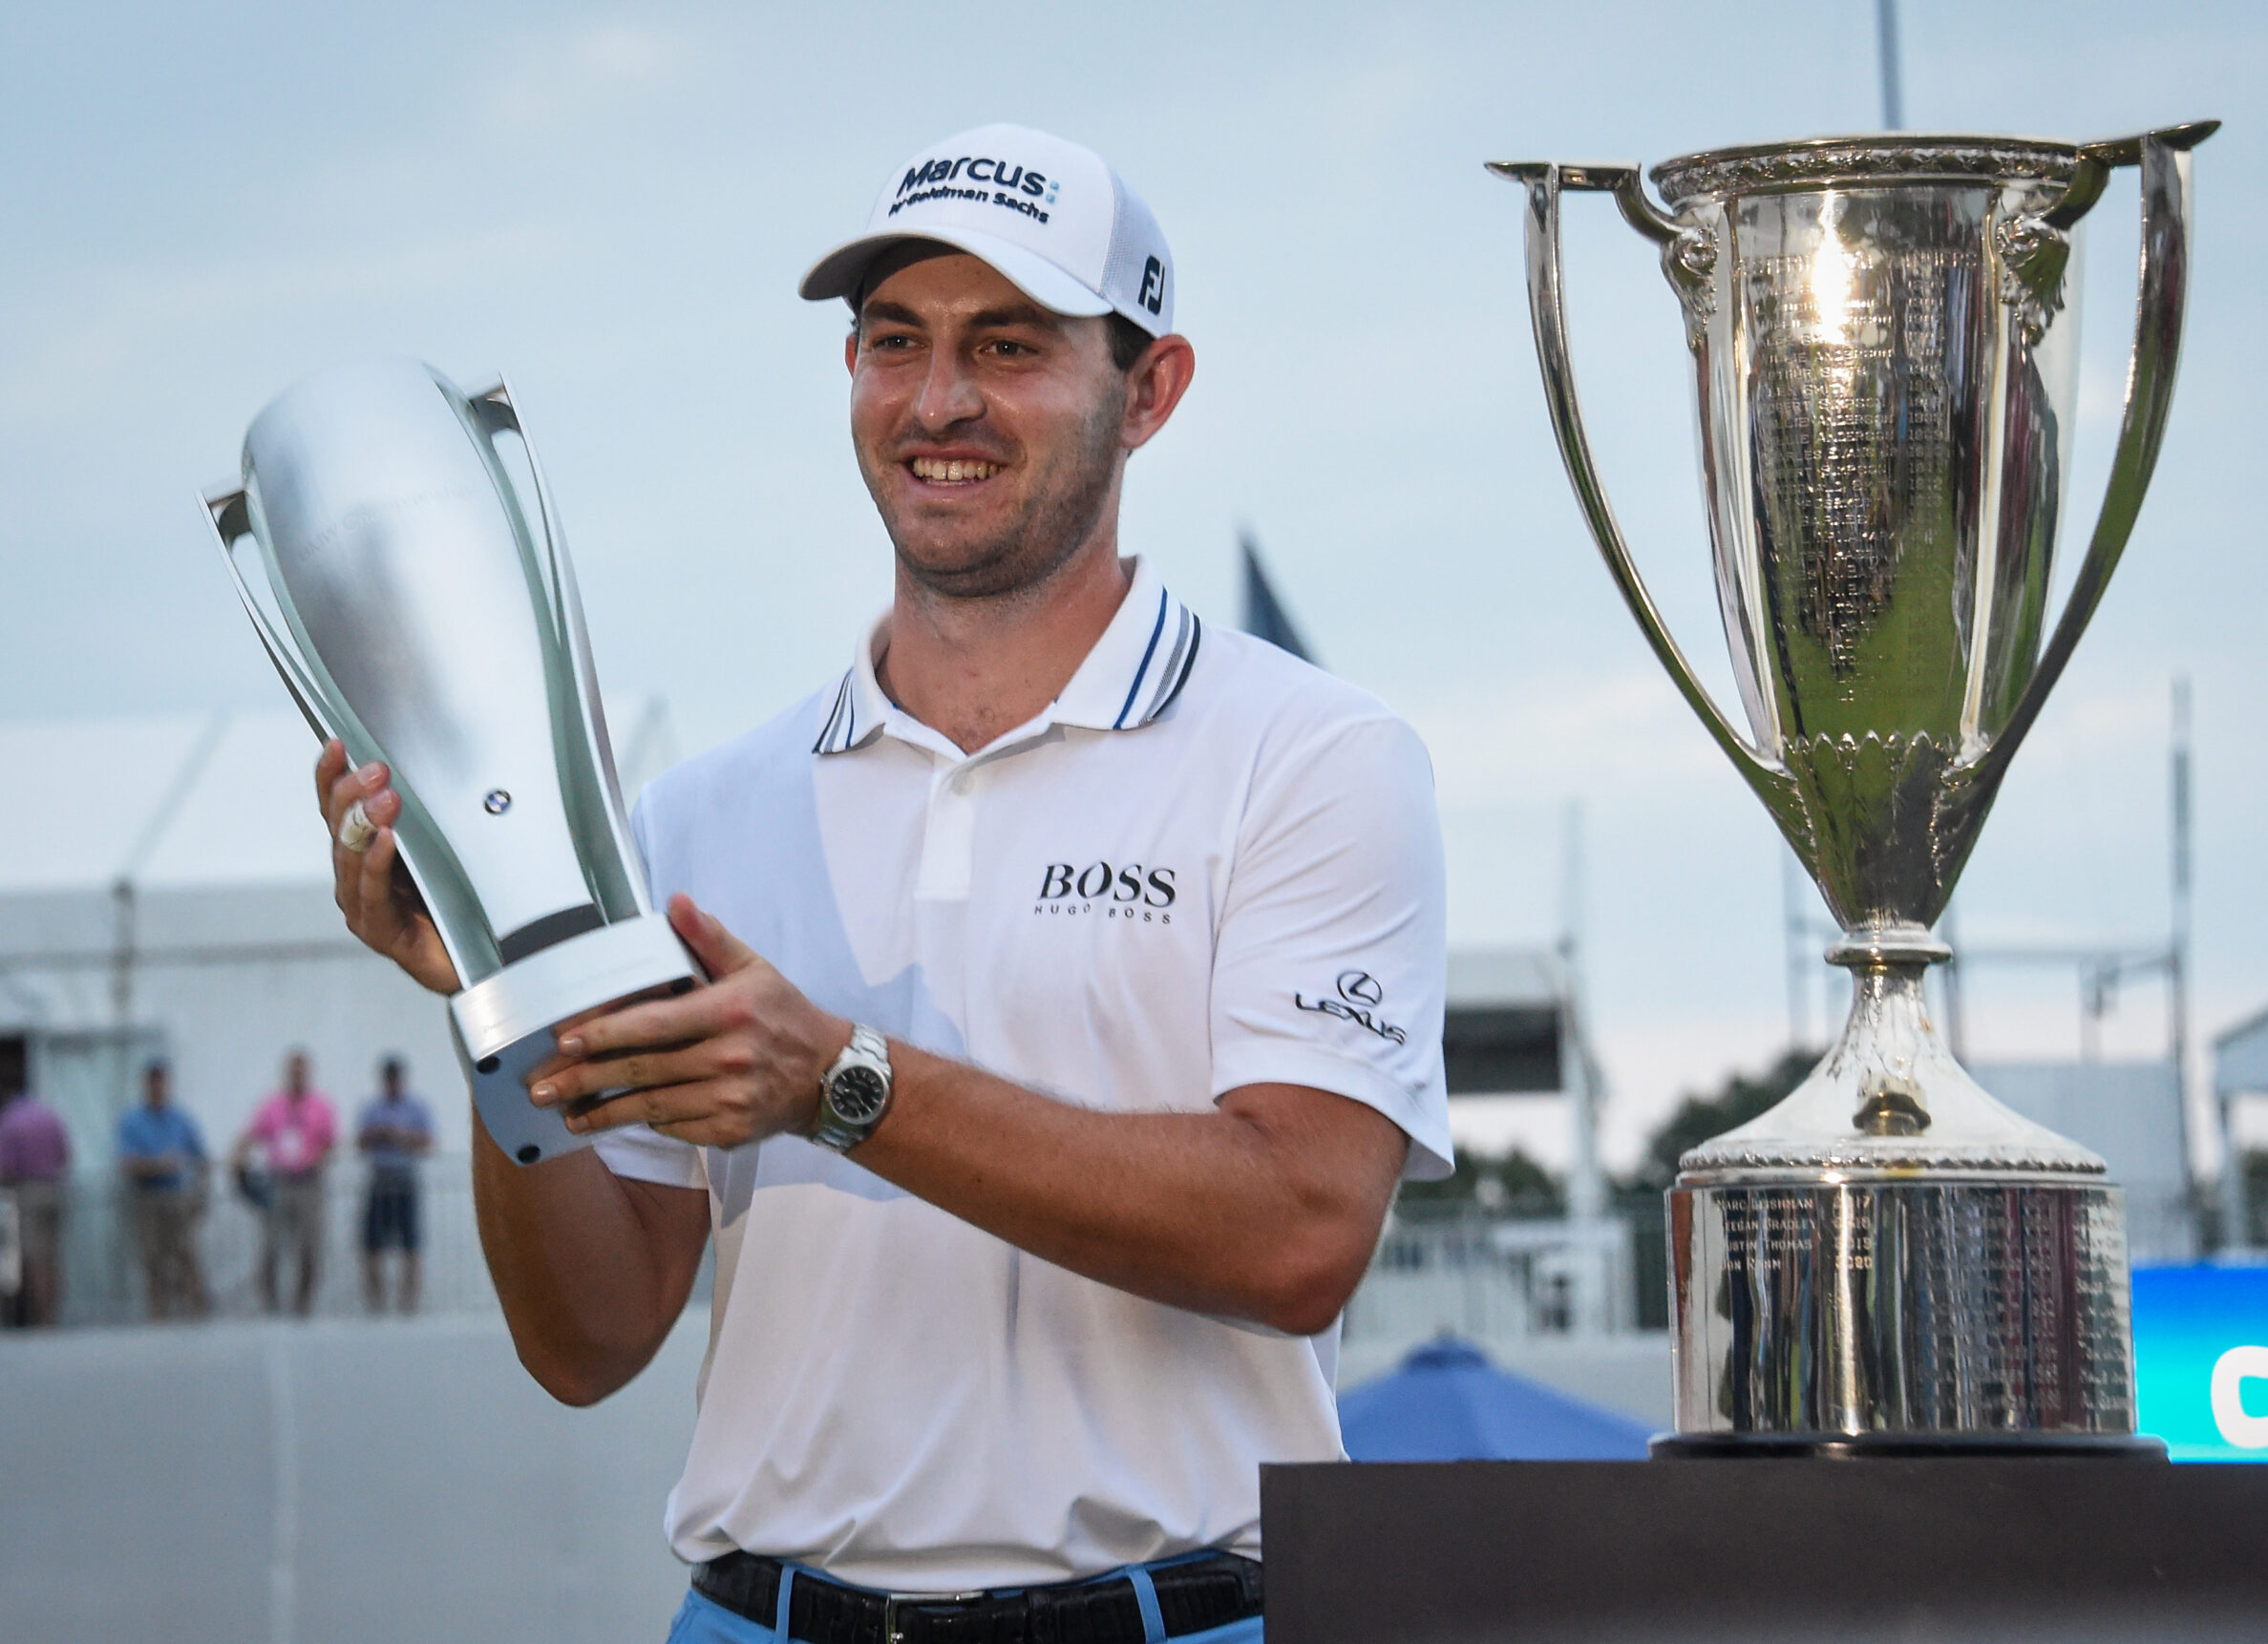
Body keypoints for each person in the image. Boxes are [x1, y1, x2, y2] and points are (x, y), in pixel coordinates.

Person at [317, 122, 1448, 1644]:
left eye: (1011, 344)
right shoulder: (701, 807)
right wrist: (494, 1008)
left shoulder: (1313, 755)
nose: (939, 402)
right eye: (892, 342)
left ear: (1152, 388)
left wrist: (842, 1083)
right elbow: (589, 1336)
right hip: (761, 1618)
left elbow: (1302, 1234)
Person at [231, 1048, 337, 1317]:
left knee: (310, 1247)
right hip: (279, 1182)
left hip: (308, 1182)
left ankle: (302, 1305)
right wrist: (238, 1155)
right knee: (272, 1246)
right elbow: (253, 1134)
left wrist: (318, 1158)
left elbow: (330, 1142)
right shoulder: (272, 1106)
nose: (297, 1076)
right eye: (293, 1071)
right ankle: (272, 1305)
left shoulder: (320, 1106)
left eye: (302, 1071)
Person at [116, 1059, 211, 1320]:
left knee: (186, 1257)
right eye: (152, 1082)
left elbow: (201, 1159)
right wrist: (158, 1166)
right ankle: (159, 1317)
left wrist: (200, 1195)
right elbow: (126, 1163)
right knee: (153, 1261)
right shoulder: (132, 1121)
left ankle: (196, 1313)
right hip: (147, 1199)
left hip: (177, 1198)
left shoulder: (181, 1119)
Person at [355, 1054, 433, 1314]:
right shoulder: (372, 1109)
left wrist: (401, 1137)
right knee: (373, 1246)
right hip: (380, 1180)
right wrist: (378, 1134)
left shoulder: (416, 1107)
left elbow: (428, 1143)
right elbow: (359, 1143)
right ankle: (376, 1306)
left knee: (410, 1246)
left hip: (404, 1181)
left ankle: (408, 1306)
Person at [0, 1081, 72, 1328]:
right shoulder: (50, 1116)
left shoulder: (10, 1120)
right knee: (53, 1256)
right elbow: (66, 1155)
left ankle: (44, 1318)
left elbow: (6, 1167)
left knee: (36, 1256)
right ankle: (54, 1313)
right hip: (54, 1189)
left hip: (29, 1191)